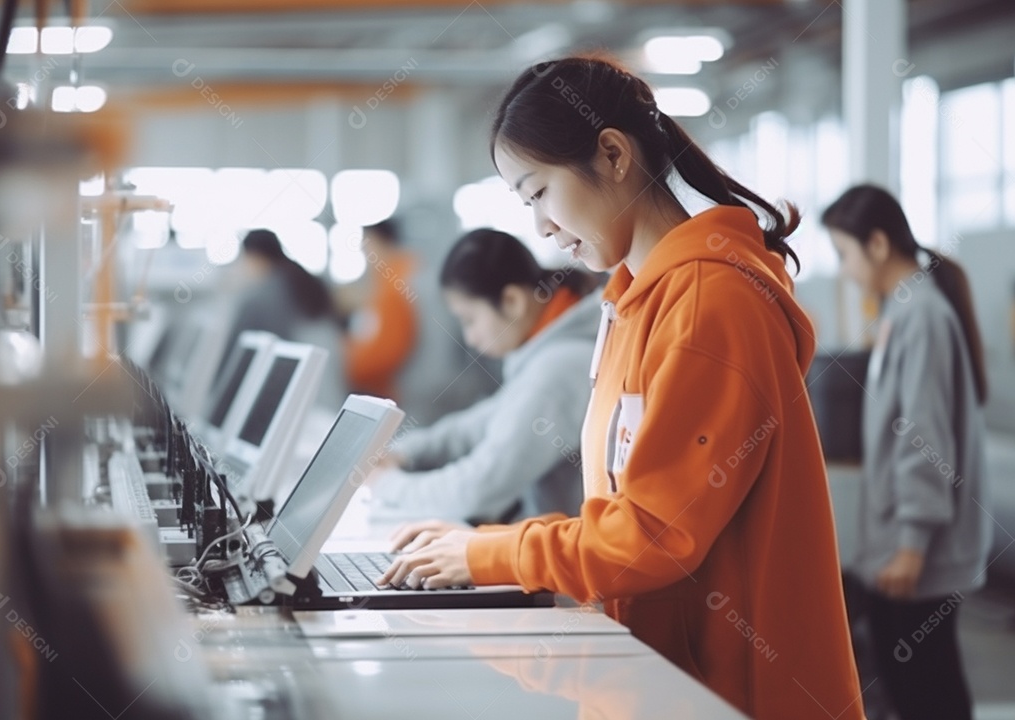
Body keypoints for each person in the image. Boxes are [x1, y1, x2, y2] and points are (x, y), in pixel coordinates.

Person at [379, 55, 865, 720]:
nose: (541, 228)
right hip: (661, 678)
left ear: (611, 154)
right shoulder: (633, 305)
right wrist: (482, 546)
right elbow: (628, 514)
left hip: (735, 692)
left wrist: (489, 552)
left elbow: (651, 536)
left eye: (539, 193)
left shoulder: (711, 304)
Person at [823, 184, 990, 720]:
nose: (845, 271)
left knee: (928, 689)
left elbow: (924, 436)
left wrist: (911, 543)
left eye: (844, 254)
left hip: (917, 550)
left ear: (876, 244)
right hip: (903, 543)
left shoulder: (921, 315)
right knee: (911, 683)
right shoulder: (906, 310)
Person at [370, 228, 600, 525]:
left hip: (552, 562)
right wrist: (404, 454)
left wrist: (385, 485)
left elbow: (478, 488)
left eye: (470, 319)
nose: (471, 337)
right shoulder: (546, 353)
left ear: (512, 302)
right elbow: (475, 426)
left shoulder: (558, 368)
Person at [222, 228, 346, 411]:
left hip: (297, 395)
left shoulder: (261, 296)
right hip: (329, 392)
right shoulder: (306, 280)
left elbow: (237, 361)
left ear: (255, 257)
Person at [343, 219, 419, 401]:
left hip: (398, 390)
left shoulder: (394, 285)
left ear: (378, 242)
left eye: (366, 248)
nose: (366, 256)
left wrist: (345, 366)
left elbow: (385, 350)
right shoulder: (406, 273)